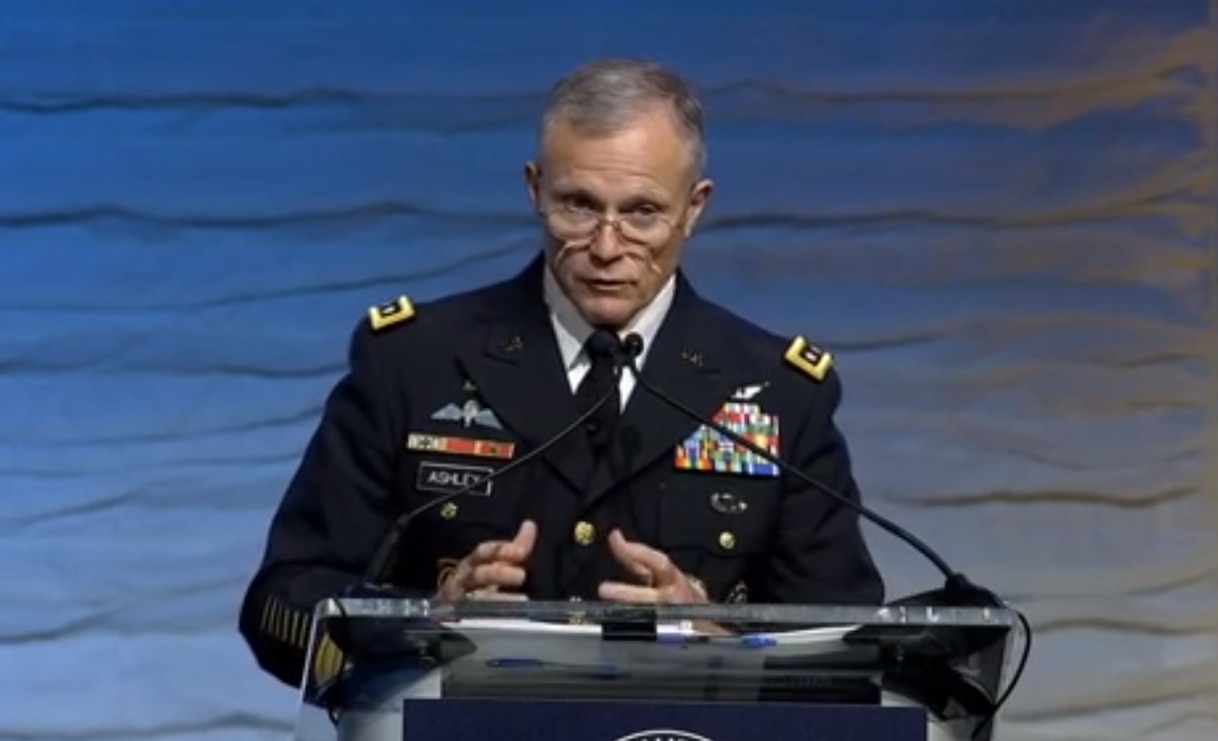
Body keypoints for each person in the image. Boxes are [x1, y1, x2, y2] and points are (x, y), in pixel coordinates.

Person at [239, 57, 884, 689]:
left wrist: (713, 637)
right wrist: (426, 627)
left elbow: (846, 646)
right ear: (533, 189)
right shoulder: (414, 362)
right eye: (578, 205)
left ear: (694, 208)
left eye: (641, 213)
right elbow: (281, 605)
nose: (607, 247)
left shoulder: (780, 391)